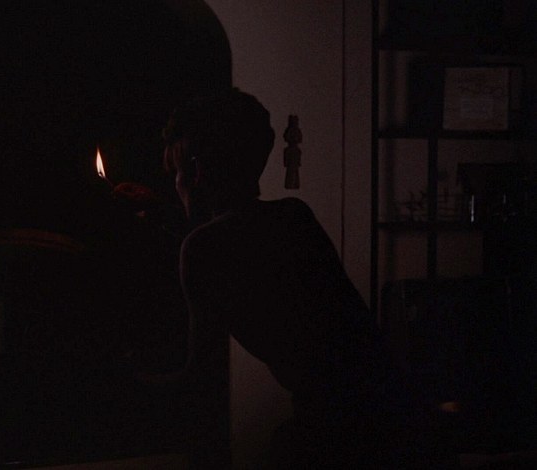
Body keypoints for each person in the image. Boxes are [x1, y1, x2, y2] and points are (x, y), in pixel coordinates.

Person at [152, 89, 451, 468]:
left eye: (177, 171)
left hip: (348, 432)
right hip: (402, 414)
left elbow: (200, 377)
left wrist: (127, 380)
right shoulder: (294, 216)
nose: (176, 184)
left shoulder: (203, 249)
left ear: (196, 171)